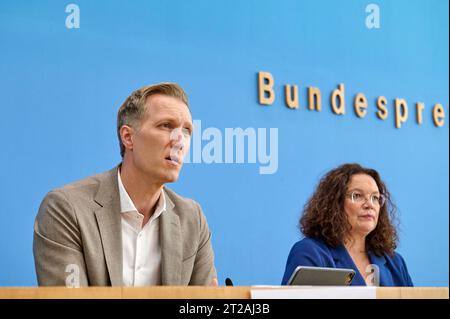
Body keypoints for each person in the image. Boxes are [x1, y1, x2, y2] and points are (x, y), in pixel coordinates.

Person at [33, 83, 218, 287]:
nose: (180, 141)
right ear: (128, 137)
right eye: (166, 126)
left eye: (187, 130)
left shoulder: (192, 218)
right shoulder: (66, 208)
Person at [282, 163, 413, 286]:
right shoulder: (310, 253)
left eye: (375, 197)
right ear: (334, 203)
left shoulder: (395, 263)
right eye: (357, 196)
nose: (370, 205)